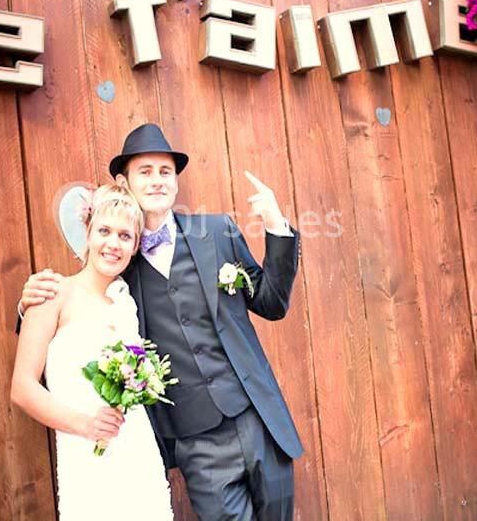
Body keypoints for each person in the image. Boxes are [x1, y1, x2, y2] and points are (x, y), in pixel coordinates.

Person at [18, 124, 302, 520]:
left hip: (256, 419)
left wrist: (276, 226)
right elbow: (81, 309)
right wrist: (27, 305)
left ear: (176, 181)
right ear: (124, 183)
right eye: (145, 171)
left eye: (165, 171)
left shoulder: (217, 231)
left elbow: (271, 303)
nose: (157, 180)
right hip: (194, 442)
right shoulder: (119, 263)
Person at [10, 183, 173, 520]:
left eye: (125, 236)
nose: (113, 244)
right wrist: (86, 426)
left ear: (135, 246)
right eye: (104, 231)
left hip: (137, 452)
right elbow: (22, 388)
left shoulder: (126, 303)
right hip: (84, 454)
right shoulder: (52, 292)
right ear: (87, 232)